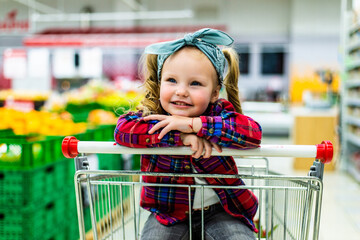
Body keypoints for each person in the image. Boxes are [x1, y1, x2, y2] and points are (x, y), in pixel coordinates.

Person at [114, 28, 262, 240]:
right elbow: (122, 131)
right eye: (172, 80)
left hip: (223, 211)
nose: (181, 91)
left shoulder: (219, 113)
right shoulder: (153, 114)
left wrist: (195, 125)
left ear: (214, 92)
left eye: (195, 83)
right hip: (168, 214)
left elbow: (252, 133)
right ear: (159, 81)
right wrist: (179, 136)